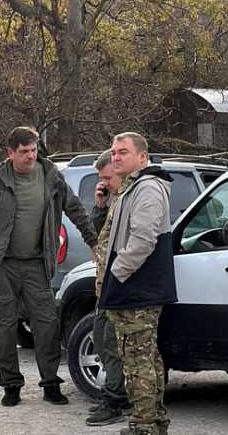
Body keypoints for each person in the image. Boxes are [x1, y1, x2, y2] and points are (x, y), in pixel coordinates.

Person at [0, 126, 98, 407]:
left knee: (47, 324)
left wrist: (92, 240)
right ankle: (11, 385)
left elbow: (74, 208)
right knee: (3, 328)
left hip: (37, 264)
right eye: (24, 151)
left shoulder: (50, 175)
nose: (30, 156)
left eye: (34, 150)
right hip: (2, 265)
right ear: (10, 153)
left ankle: (50, 382)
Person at [100, 132, 176, 435]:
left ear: (142, 157)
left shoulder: (147, 188)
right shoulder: (131, 189)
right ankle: (154, 421)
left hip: (137, 288)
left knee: (137, 360)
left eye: (123, 152)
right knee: (145, 356)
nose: (116, 157)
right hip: (133, 287)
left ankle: (144, 425)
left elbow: (143, 240)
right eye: (114, 152)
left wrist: (117, 273)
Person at [85, 150, 131, 426]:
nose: (104, 183)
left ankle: (116, 399)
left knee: (111, 342)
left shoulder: (131, 198)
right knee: (101, 338)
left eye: (106, 178)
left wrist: (117, 274)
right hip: (105, 284)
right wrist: (99, 207)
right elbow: (99, 237)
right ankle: (115, 394)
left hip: (119, 283)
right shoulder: (114, 201)